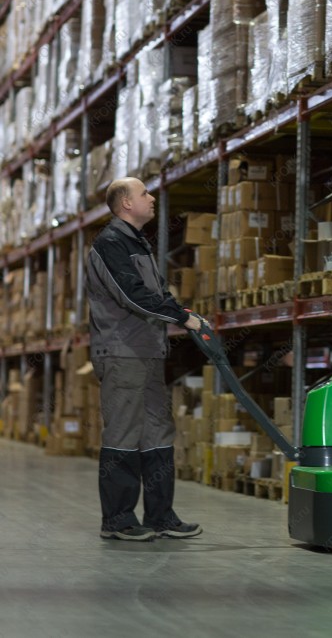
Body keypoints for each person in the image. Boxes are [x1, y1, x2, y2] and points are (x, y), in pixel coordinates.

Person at [86, 176, 206, 542]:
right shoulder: (110, 243)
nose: (152, 198)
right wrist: (181, 317)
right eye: (144, 193)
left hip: (148, 351)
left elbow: (156, 293)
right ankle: (118, 520)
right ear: (126, 203)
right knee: (123, 432)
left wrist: (180, 311)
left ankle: (160, 516)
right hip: (122, 352)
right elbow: (131, 295)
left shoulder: (137, 242)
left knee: (157, 431)